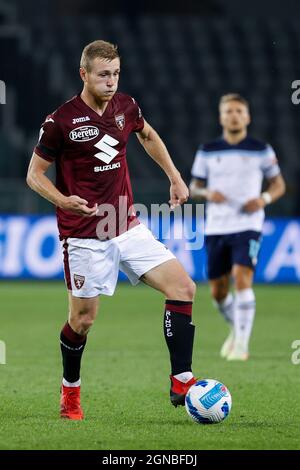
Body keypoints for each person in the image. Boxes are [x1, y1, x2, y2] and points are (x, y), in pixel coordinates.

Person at [27, 40, 197, 420]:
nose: (111, 81)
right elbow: (34, 175)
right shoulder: (60, 122)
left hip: (126, 225)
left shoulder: (126, 106)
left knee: (183, 287)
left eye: (116, 73)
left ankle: (181, 379)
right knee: (82, 321)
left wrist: (174, 176)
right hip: (83, 234)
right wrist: (62, 199)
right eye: (104, 74)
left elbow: (147, 135)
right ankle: (70, 391)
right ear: (84, 74)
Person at [189, 93, 286, 361]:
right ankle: (236, 329)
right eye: (229, 111)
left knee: (242, 278)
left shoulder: (261, 149)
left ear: (247, 117)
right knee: (218, 292)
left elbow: (279, 185)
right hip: (216, 226)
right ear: (221, 117)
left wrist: (263, 199)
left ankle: (242, 345)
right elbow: (193, 187)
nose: (234, 115)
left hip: (248, 224)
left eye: (239, 111)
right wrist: (209, 194)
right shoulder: (207, 151)